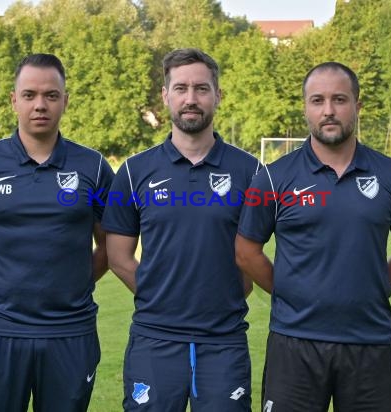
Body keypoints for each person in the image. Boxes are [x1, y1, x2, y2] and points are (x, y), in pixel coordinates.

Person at [235, 61, 391, 412]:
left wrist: (372, 286)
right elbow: (246, 252)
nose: (328, 110)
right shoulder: (273, 177)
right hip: (294, 343)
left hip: (369, 342)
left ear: (357, 104)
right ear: (305, 108)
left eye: (339, 99)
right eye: (317, 100)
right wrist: (290, 291)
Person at [0, 53, 114, 412]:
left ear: (65, 101)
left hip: (70, 332)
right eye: (30, 95)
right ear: (14, 100)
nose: (41, 105)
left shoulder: (94, 167)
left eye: (52, 95)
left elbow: (109, 246)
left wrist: (76, 285)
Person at [101, 48, 260, 411]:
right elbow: (118, 257)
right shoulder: (134, 172)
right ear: (165, 95)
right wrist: (162, 298)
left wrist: (224, 297)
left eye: (202, 89)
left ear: (218, 95)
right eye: (181, 88)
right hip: (154, 339)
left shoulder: (250, 172)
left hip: (224, 340)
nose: (191, 99)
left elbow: (254, 255)